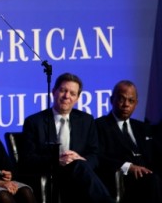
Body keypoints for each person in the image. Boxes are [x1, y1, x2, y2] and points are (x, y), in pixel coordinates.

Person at [22, 72, 114, 203]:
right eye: (63, 91)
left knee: (78, 165)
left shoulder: (86, 120)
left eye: (72, 93)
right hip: (52, 172)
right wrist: (57, 160)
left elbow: (95, 155)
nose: (66, 96)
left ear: (77, 98)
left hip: (79, 173)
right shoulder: (34, 122)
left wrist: (80, 159)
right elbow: (27, 159)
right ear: (53, 92)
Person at [95, 80, 162, 202]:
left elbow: (156, 154)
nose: (126, 104)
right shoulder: (99, 125)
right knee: (153, 181)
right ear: (111, 100)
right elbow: (98, 156)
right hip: (124, 179)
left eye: (131, 101)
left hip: (150, 174)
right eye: (121, 99)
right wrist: (127, 167)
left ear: (136, 104)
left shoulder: (143, 127)